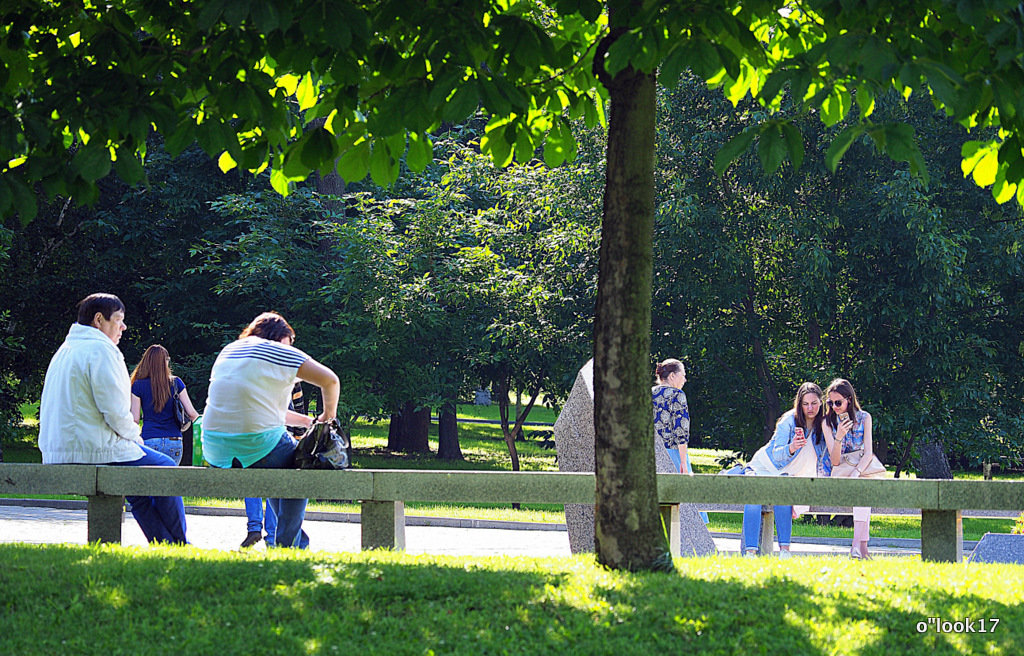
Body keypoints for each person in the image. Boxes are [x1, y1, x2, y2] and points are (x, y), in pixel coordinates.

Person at [38, 293, 187, 544]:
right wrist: (135, 438)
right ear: (99, 320)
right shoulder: (102, 350)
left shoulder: (65, 350)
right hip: (92, 450)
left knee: (139, 494)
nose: (123, 327)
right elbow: (116, 412)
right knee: (166, 469)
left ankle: (168, 544)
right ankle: (180, 544)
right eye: (119, 320)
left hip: (59, 451)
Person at [202, 312, 340, 548]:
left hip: (215, 449)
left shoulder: (230, 350)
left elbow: (266, 412)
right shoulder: (278, 351)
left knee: (279, 464)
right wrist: (328, 419)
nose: (290, 348)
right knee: (302, 467)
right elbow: (330, 381)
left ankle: (298, 542)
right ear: (280, 338)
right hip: (256, 445)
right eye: (289, 342)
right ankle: (285, 545)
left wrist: (309, 422)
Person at [741, 382, 832, 557]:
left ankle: (784, 551)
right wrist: (791, 447)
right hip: (766, 467)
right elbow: (776, 454)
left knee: (784, 495)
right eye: (805, 404)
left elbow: (826, 458)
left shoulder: (824, 424)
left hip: (789, 474)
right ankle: (750, 552)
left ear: (821, 402)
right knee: (753, 496)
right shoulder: (789, 421)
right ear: (799, 404)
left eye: (814, 403)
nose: (810, 408)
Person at [241, 382, 308, 549]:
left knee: (259, 485)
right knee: (280, 494)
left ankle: (255, 527)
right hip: (283, 441)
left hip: (257, 442)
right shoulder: (291, 376)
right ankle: (274, 537)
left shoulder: (252, 376)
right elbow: (299, 409)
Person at [823, 378, 877, 559]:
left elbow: (868, 453)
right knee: (864, 491)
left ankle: (859, 548)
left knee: (864, 490)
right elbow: (835, 461)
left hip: (861, 469)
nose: (835, 407)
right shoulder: (828, 422)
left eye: (838, 402)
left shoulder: (864, 418)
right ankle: (861, 548)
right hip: (841, 470)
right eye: (830, 402)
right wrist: (839, 436)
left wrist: (857, 472)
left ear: (849, 399)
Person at [652, 358, 708, 523]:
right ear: (671, 376)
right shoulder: (677, 395)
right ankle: (696, 542)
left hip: (651, 455)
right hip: (673, 452)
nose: (685, 379)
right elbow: (680, 430)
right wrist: (683, 461)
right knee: (688, 498)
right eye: (682, 375)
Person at [129, 345, 200, 465]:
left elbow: (135, 419)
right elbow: (192, 414)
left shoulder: (137, 385)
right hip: (174, 440)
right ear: (165, 362)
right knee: (169, 481)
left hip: (149, 439)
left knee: (151, 480)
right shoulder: (176, 383)